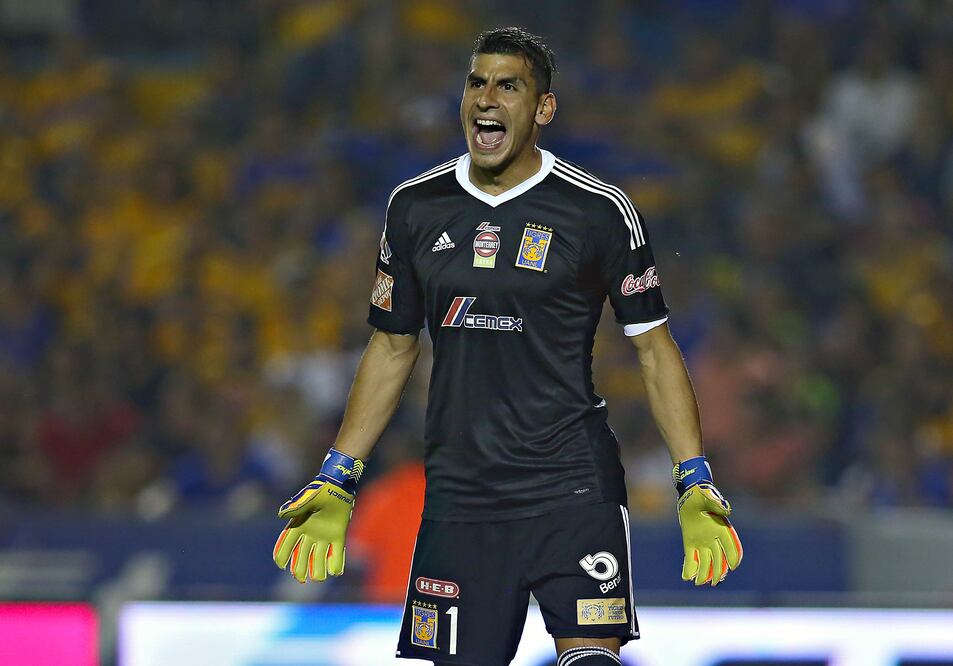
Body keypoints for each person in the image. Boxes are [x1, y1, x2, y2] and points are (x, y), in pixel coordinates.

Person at [273, 26, 742, 666]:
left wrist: (693, 478)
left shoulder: (598, 211)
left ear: (542, 108)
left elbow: (655, 349)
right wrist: (339, 474)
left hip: (572, 487)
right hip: (461, 494)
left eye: (508, 85)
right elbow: (390, 348)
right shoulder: (415, 207)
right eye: (476, 83)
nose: (486, 99)